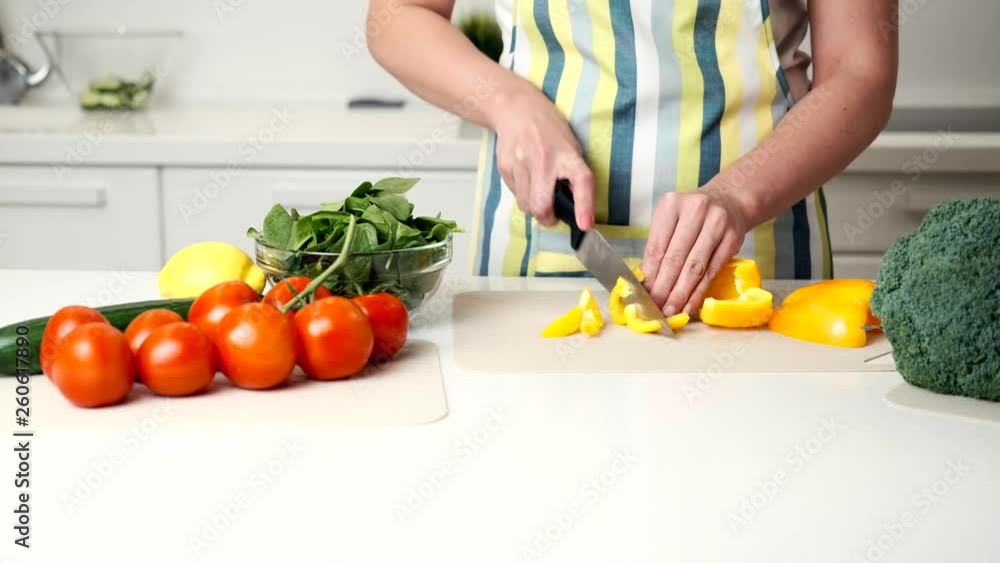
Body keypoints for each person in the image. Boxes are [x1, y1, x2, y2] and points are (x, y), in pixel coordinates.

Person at [368, 0, 898, 317]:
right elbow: (397, 15)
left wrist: (735, 196)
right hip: (535, 256)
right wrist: (508, 102)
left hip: (759, 266)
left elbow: (860, 70)